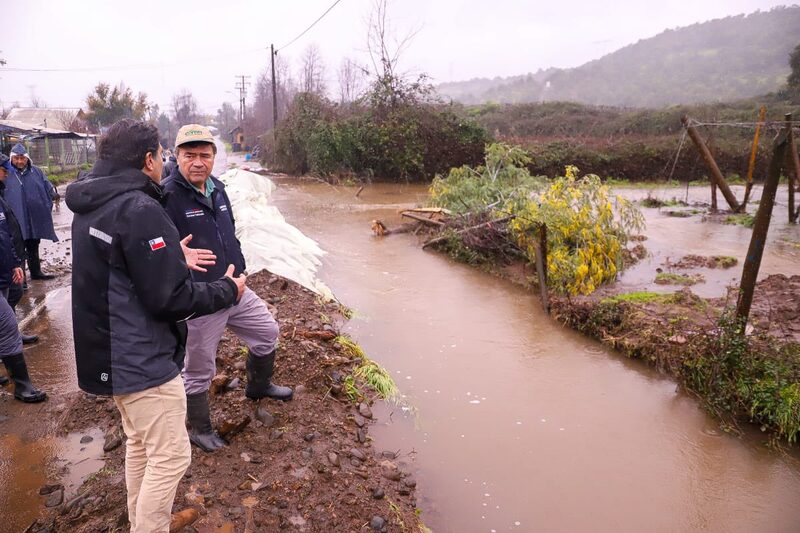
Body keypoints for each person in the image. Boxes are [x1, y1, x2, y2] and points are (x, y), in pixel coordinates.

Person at [66, 119, 245, 533]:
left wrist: (168, 260)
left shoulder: (95, 202)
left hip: (110, 352)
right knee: (171, 457)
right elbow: (172, 299)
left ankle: (137, 522)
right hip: (141, 358)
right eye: (163, 153)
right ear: (150, 160)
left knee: (142, 447)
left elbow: (121, 270)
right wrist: (226, 290)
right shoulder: (139, 208)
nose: (162, 161)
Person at [162, 124, 292, 453]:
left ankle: (258, 387)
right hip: (200, 298)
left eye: (204, 155)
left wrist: (241, 266)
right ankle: (200, 429)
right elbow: (153, 249)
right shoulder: (166, 197)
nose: (197, 162)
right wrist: (176, 255)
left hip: (234, 287)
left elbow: (229, 233)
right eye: (189, 155)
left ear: (214, 158)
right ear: (176, 156)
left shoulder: (217, 189)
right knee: (199, 368)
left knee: (266, 331)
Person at [0, 154, 46, 401]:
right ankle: (23, 386)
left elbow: (4, 235)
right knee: (8, 327)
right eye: (3, 169)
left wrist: (14, 264)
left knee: (7, 315)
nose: (7, 172)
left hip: (3, 271)